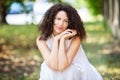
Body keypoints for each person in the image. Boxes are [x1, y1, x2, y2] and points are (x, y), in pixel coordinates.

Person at [36, 3, 103, 80]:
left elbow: (63, 66)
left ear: (70, 23)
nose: (61, 24)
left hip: (76, 68)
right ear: (51, 19)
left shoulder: (75, 38)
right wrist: (56, 40)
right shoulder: (41, 40)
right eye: (58, 19)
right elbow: (53, 65)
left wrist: (63, 40)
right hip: (53, 66)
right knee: (49, 70)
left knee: (68, 70)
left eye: (66, 21)